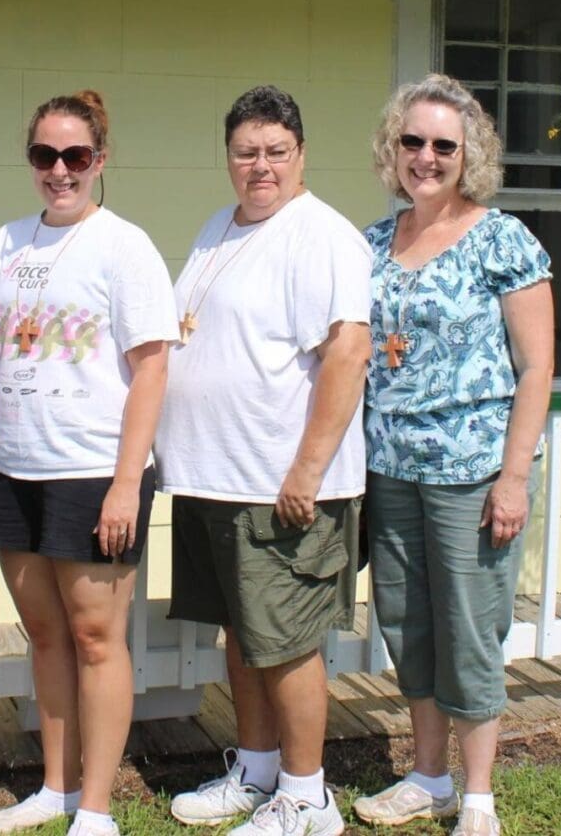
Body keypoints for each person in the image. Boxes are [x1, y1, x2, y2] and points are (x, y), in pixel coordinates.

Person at [159, 85, 371, 836]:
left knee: (286, 645)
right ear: (229, 158)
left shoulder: (321, 235)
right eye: (246, 152)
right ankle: (255, 770)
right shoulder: (222, 227)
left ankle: (308, 798)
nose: (260, 166)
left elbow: (349, 352)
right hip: (216, 477)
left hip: (280, 484)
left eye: (276, 152)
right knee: (243, 638)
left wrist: (306, 472)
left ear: (301, 154)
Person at [0, 90, 177, 836]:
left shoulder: (124, 246)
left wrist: (127, 483)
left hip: (92, 472)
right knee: (46, 637)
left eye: (75, 157)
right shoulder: (8, 245)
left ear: (99, 161)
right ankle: (53, 789)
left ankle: (95, 806)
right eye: (45, 156)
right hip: (18, 472)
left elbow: (151, 367)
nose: (60, 171)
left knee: (96, 639)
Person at [352, 75, 554, 836]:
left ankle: (477, 796)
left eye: (444, 145)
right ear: (392, 149)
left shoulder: (502, 239)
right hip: (391, 470)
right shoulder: (373, 242)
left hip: (473, 473)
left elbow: (536, 367)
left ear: (469, 154)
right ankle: (426, 776)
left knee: (470, 630)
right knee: (410, 628)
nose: (426, 157)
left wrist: (514, 477)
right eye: (413, 142)